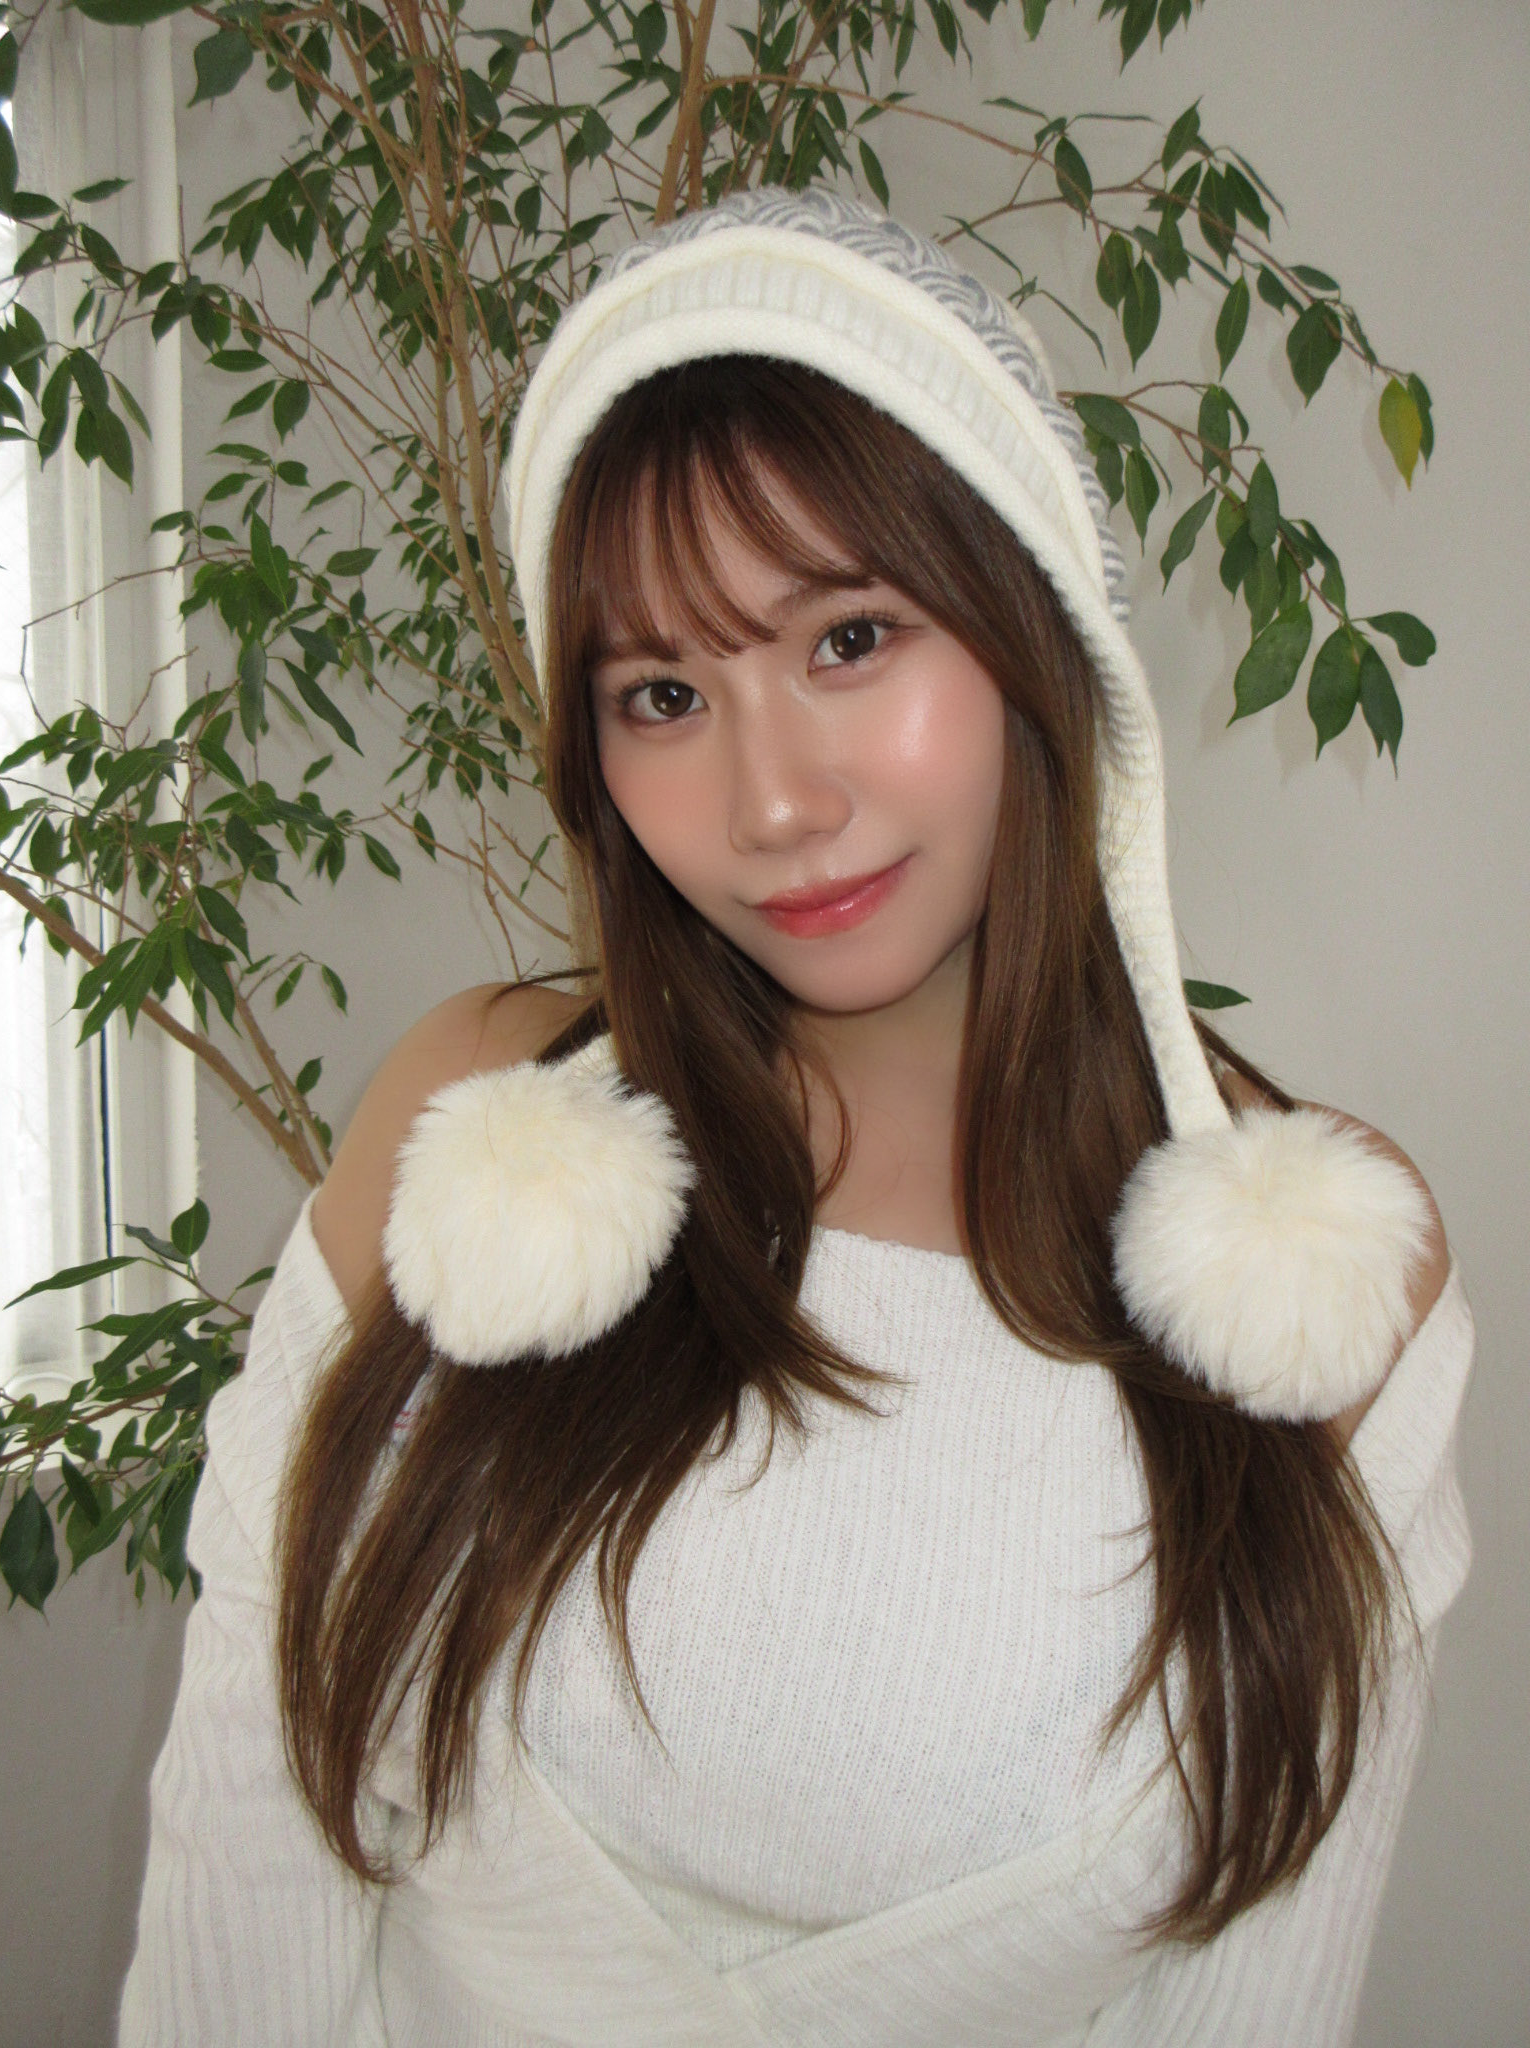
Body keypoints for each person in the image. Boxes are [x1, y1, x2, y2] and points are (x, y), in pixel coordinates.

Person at [120, 189, 1473, 2046]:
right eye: (664, 693)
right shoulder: (475, 1135)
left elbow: (1264, 1994)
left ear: (1037, 626)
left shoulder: (1314, 1279)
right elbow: (246, 1867)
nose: (772, 804)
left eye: (850, 640)